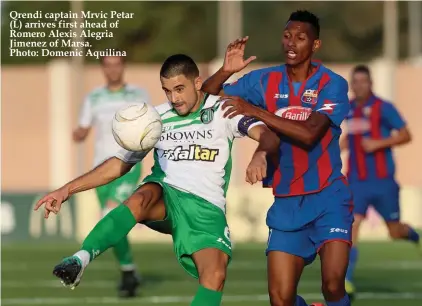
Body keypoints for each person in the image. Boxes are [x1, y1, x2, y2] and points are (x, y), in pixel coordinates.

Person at [34, 54, 279, 306]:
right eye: (167, 91)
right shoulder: (156, 118)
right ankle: (80, 258)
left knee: (215, 276)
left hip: (206, 209)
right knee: (143, 195)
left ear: (197, 83)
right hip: (165, 195)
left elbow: (267, 135)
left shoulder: (222, 110)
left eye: (180, 89)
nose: (174, 98)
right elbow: (119, 165)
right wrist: (66, 190)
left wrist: (260, 154)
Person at [202, 10, 352, 306]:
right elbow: (205, 99)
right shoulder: (264, 80)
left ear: (316, 45)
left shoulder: (331, 84)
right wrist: (225, 71)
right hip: (286, 202)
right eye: (286, 36)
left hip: (328, 198)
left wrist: (255, 111)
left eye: (300, 37)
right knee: (279, 299)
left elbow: (310, 134)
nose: (291, 43)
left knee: (333, 285)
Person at [72, 54, 150, 297]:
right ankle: (129, 272)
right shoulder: (94, 98)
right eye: (108, 65)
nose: (113, 69)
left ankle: (127, 273)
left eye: (117, 64)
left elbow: (151, 124)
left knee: (110, 212)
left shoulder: (139, 95)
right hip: (101, 170)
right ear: (103, 69)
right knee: (112, 222)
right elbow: (83, 128)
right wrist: (79, 133)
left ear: (123, 67)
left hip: (128, 165)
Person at [340, 65, 417, 296]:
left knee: (395, 232)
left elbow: (406, 135)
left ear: (371, 83)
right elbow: (350, 137)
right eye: (355, 81)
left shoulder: (384, 108)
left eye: (363, 81)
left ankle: (414, 236)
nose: (359, 85)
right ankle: (347, 282)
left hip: (383, 182)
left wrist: (378, 143)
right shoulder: (349, 109)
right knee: (351, 226)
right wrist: (339, 147)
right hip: (355, 181)